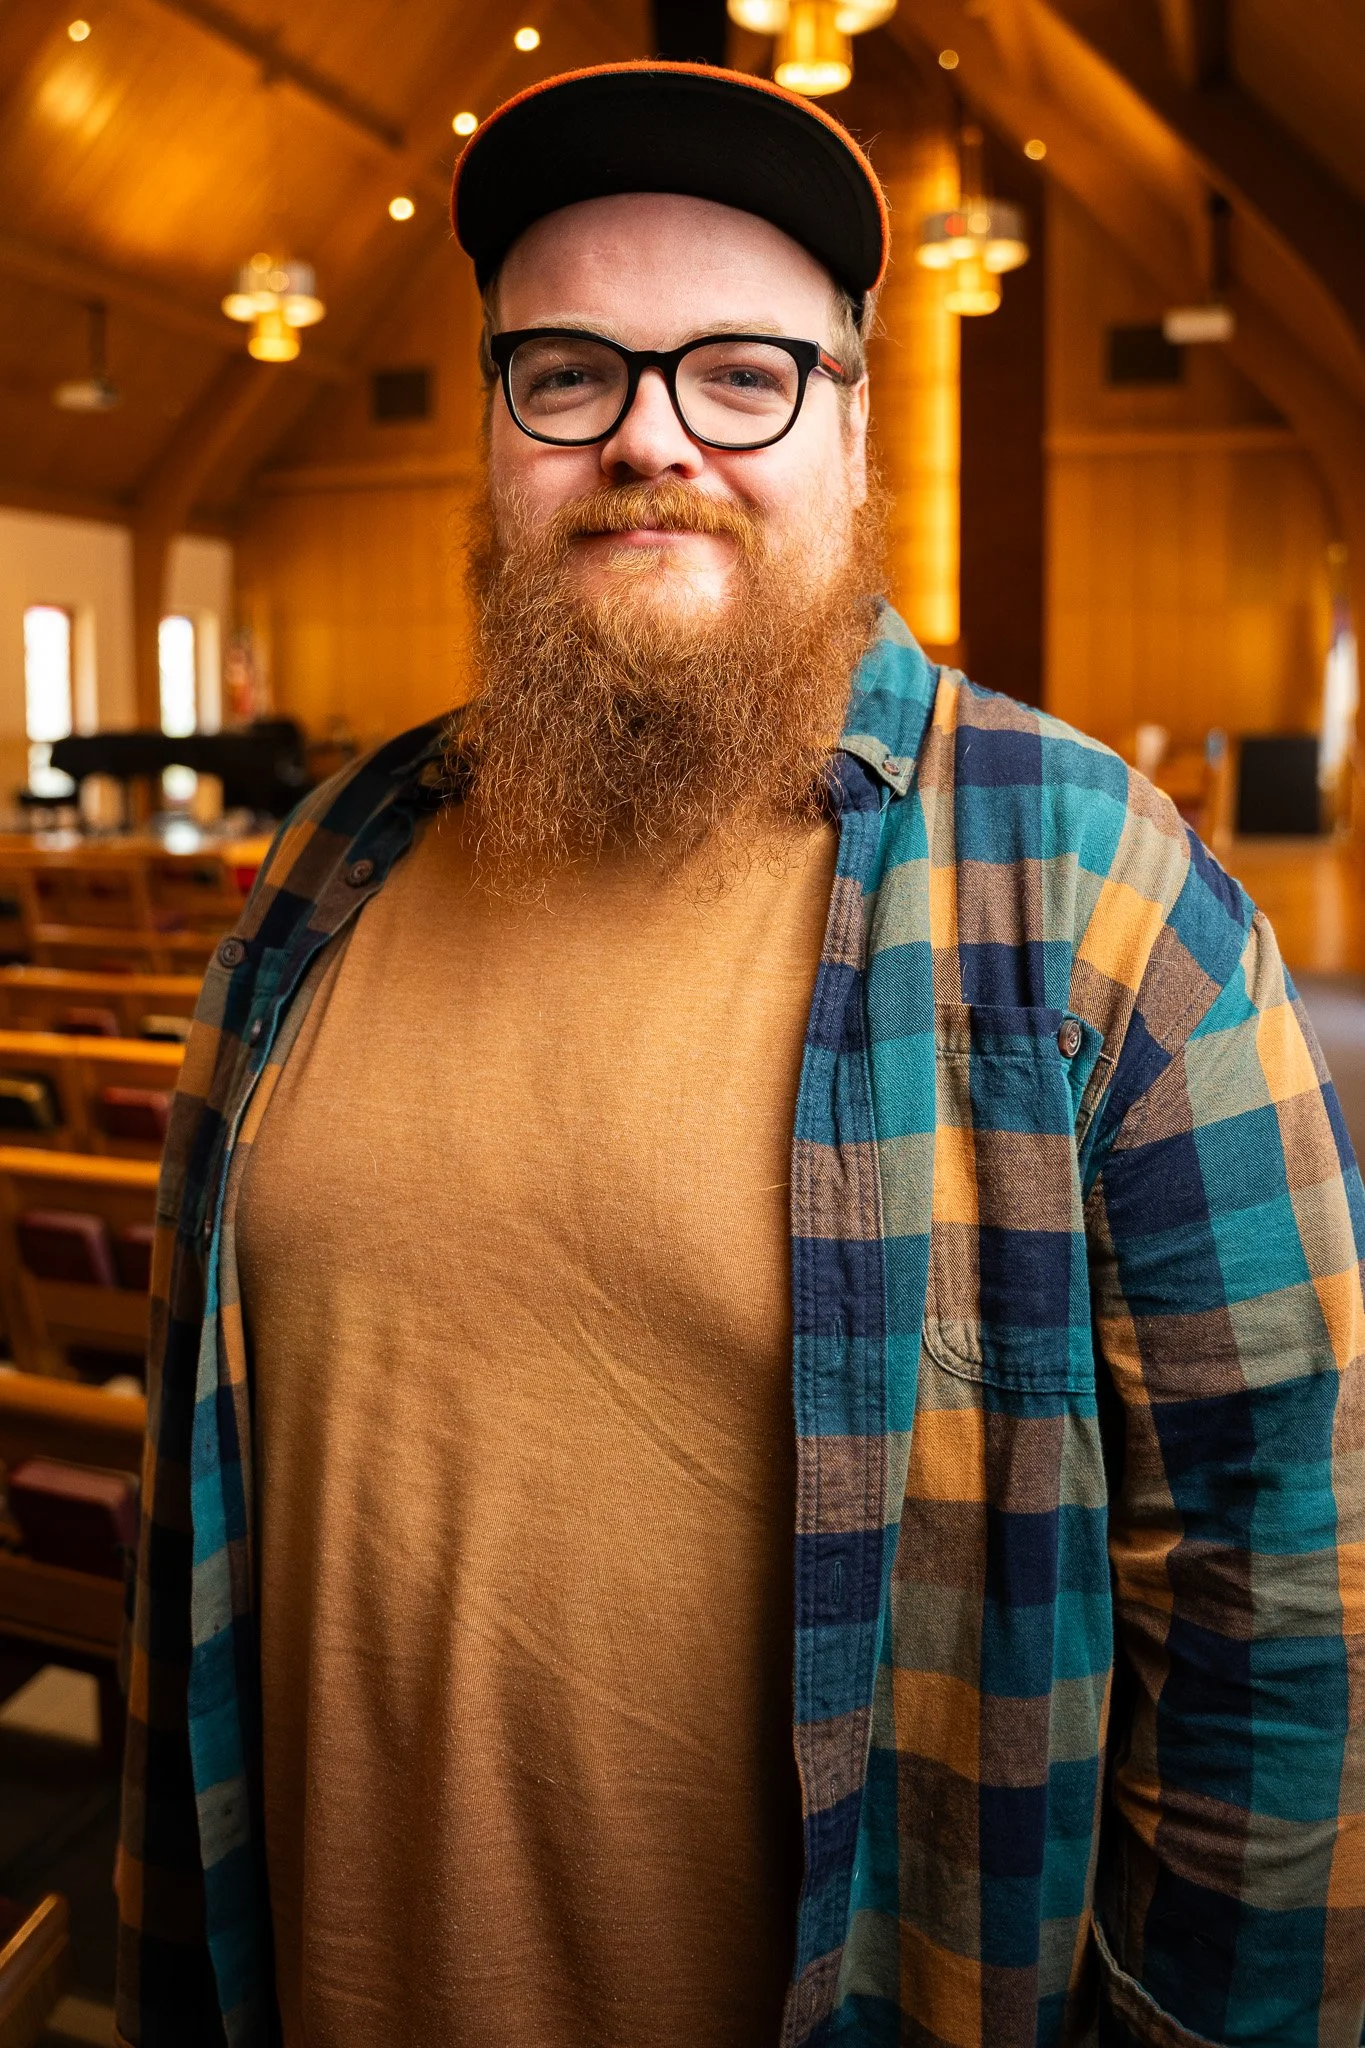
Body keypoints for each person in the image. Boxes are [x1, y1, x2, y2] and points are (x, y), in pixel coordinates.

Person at [116, 60, 1365, 2048]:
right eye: (571, 377)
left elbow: (1282, 1602)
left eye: (740, 376)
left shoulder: (1103, 897)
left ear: (851, 422)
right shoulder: (314, 883)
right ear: (498, 429)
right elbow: (188, 1535)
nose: (651, 441)